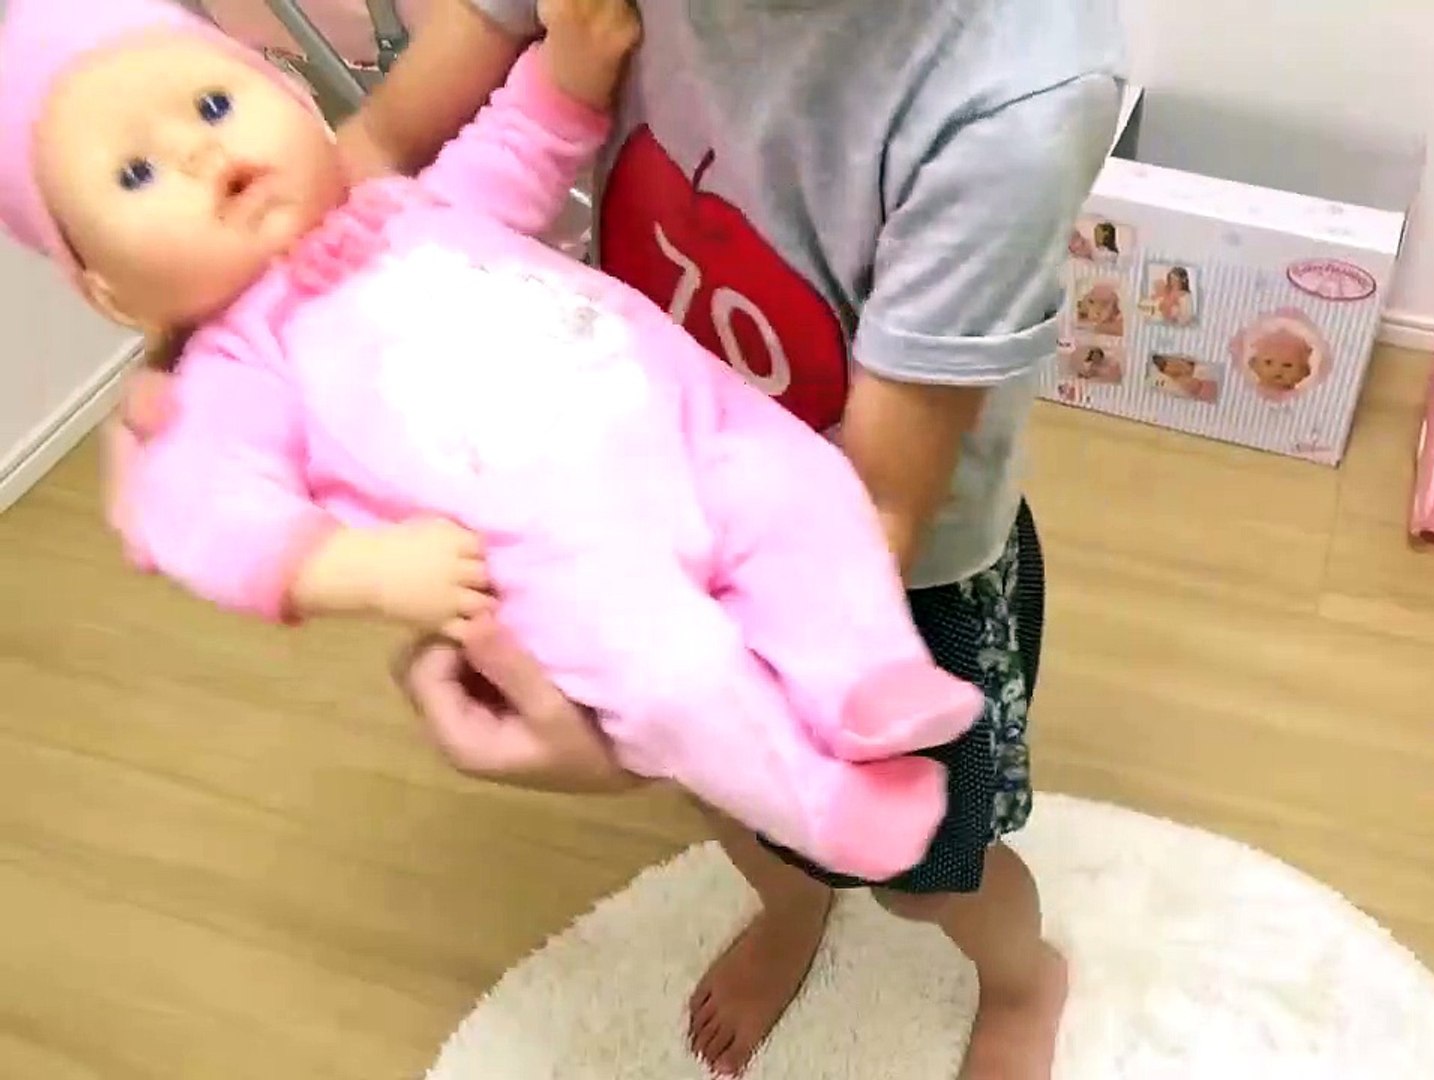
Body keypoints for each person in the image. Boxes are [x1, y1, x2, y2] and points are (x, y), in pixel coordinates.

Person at [117, 0, 1125, 1076]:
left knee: (929, 873)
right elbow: (376, 154)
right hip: (616, 511)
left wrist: (640, 728)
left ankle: (1022, 976)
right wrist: (207, 352)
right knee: (732, 796)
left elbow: (875, 513)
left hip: (873, 566)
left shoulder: (1009, 98)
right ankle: (792, 903)